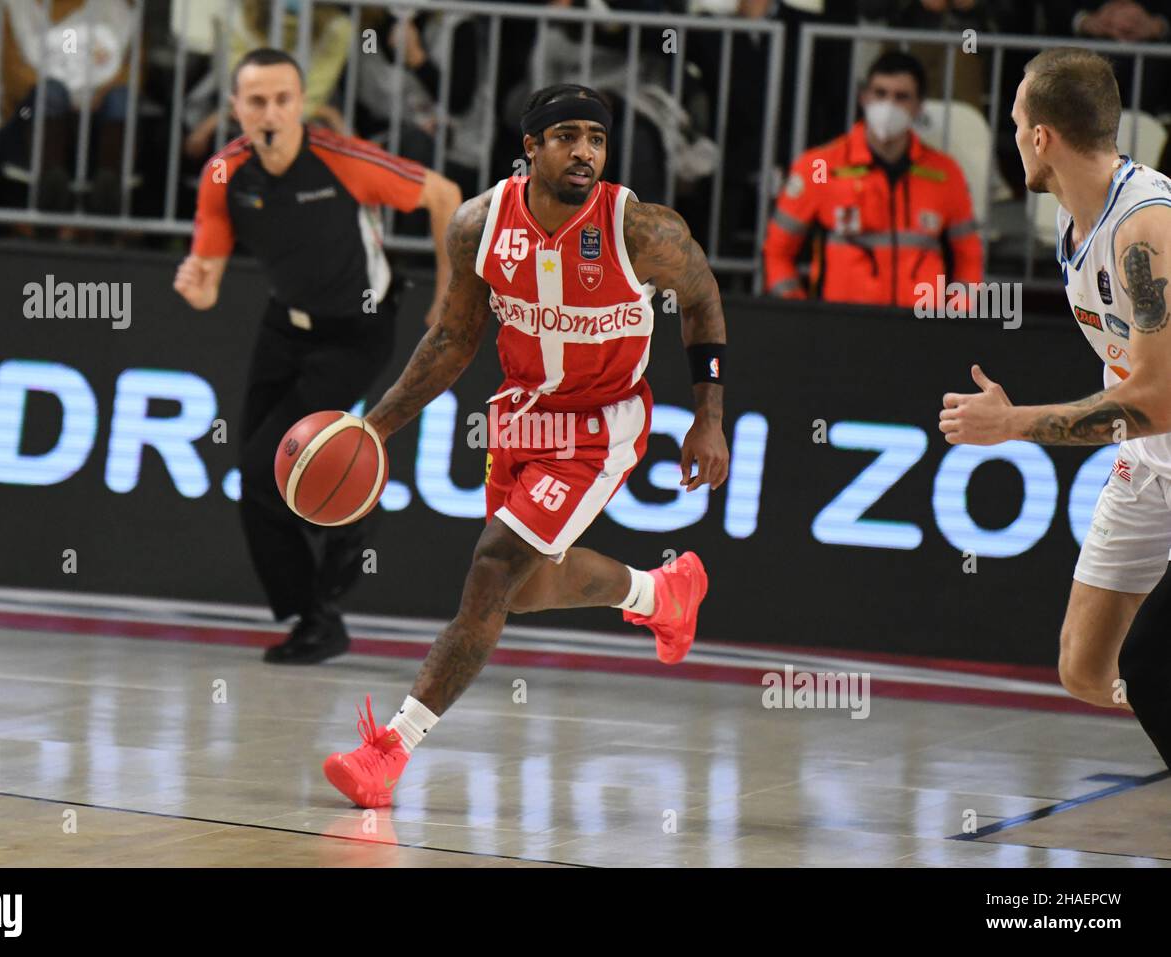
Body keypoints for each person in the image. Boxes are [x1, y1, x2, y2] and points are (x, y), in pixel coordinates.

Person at [322, 84, 731, 809]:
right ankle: (661, 591)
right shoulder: (479, 225)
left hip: (603, 424)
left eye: (597, 139)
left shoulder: (640, 229)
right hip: (520, 416)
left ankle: (390, 748)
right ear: (531, 149)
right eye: (567, 136)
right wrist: (376, 427)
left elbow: (700, 297)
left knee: (491, 570)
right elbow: (452, 339)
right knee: (529, 586)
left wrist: (709, 414)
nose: (584, 152)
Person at [173, 48, 462, 664]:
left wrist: (449, 292)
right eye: (257, 101)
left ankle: (349, 528)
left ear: (300, 104)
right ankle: (314, 615)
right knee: (255, 483)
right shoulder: (226, 174)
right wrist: (198, 287)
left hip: (358, 328)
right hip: (285, 326)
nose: (270, 112)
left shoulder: (340, 159)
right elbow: (209, 281)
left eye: (282, 99)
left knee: (263, 469)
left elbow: (445, 195)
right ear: (236, 109)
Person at [939, 48, 1171, 768]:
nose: (1012, 139)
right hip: (1151, 464)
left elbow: (1159, 399)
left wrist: (1014, 424)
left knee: (1156, 665)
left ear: (1041, 136)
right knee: (1085, 667)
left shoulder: (1146, 232)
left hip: (1161, 428)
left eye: (1014, 123)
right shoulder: (1078, 222)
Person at [764, 51, 983, 307]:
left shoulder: (945, 173)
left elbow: (969, 257)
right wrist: (800, 313)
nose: (888, 105)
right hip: (843, 327)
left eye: (901, 97)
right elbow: (777, 252)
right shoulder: (820, 167)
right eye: (880, 93)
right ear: (864, 98)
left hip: (923, 330)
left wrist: (957, 316)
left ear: (919, 106)